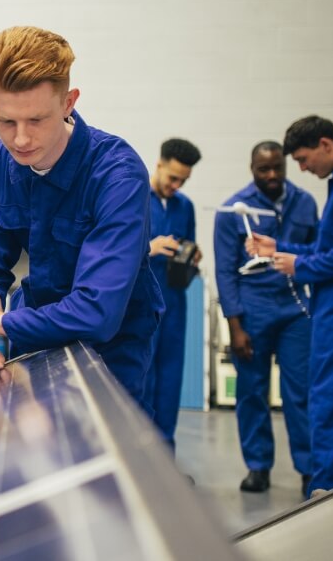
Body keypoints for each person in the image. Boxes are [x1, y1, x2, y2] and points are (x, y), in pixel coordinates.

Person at [0, 26, 164, 417]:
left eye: (36, 120)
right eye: (6, 122)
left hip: (113, 344)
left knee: (104, 449)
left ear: (69, 101)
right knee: (33, 457)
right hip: (31, 332)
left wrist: (3, 323)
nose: (20, 140)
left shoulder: (116, 175)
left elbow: (98, 312)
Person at [248, 116, 333, 496]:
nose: (303, 169)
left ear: (325, 144)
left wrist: (299, 266)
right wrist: (281, 250)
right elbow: (331, 247)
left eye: (304, 160)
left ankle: (328, 498)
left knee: (331, 406)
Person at [214, 140, 317, 495]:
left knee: (301, 391)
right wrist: (235, 327)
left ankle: (309, 467)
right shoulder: (232, 211)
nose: (271, 175)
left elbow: (317, 255)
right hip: (252, 308)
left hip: (295, 311)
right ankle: (258, 466)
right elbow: (225, 272)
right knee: (252, 391)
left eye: (277, 168)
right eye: (263, 169)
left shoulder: (305, 203)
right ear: (252, 168)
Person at [146, 138, 202, 448]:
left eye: (183, 180)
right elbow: (111, 250)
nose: (177, 185)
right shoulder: (133, 198)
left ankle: (165, 456)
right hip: (140, 308)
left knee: (170, 381)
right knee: (143, 380)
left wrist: (193, 256)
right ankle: (141, 459)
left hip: (175, 304)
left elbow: (188, 247)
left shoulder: (186, 206)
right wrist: (148, 247)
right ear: (159, 165)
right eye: (173, 178)